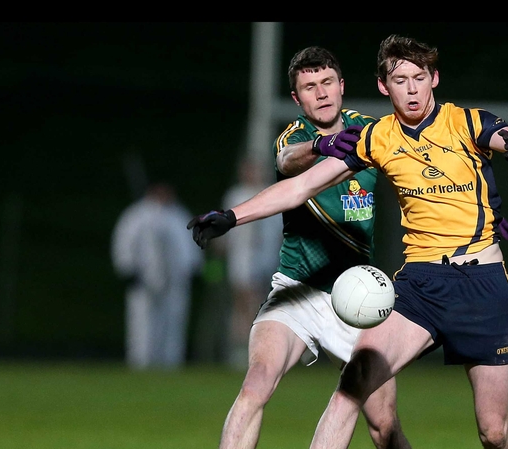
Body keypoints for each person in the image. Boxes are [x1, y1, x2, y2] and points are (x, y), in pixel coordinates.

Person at [188, 34, 508, 448]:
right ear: (384, 86)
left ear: (435, 78)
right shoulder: (375, 137)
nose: (411, 89)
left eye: (419, 77)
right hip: (419, 284)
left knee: (494, 432)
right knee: (350, 390)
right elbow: (298, 184)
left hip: (481, 284)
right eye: (400, 80)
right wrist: (234, 216)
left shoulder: (467, 122)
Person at [188, 46, 411, 449]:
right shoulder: (296, 138)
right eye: (309, 87)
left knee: (384, 426)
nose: (321, 93)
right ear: (297, 99)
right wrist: (321, 148)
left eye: (327, 83)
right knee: (257, 382)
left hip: (358, 298)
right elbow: (289, 162)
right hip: (298, 289)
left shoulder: (372, 132)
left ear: (342, 87)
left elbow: (419, 169)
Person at [111, 181, 203, 370]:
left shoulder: (178, 215)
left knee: (174, 323)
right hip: (144, 281)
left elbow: (190, 245)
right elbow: (124, 242)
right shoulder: (137, 215)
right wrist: (127, 269)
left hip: (175, 281)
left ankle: (171, 362)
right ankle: (140, 362)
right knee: (142, 323)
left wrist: (193, 269)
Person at [218, 157, 282, 368]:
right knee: (243, 300)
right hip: (242, 257)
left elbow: (279, 230)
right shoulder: (235, 195)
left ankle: (262, 350)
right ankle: (241, 348)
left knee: (262, 302)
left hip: (266, 257)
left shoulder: (273, 193)